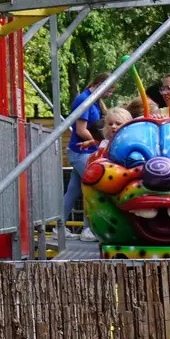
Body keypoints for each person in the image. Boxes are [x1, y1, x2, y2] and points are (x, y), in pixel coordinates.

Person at [65, 76, 106, 238]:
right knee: (94, 188)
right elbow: (81, 130)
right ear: (100, 85)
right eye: (109, 89)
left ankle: (59, 227)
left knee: (73, 190)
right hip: (81, 152)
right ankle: (88, 228)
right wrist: (99, 143)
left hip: (84, 152)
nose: (109, 94)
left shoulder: (94, 101)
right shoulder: (85, 100)